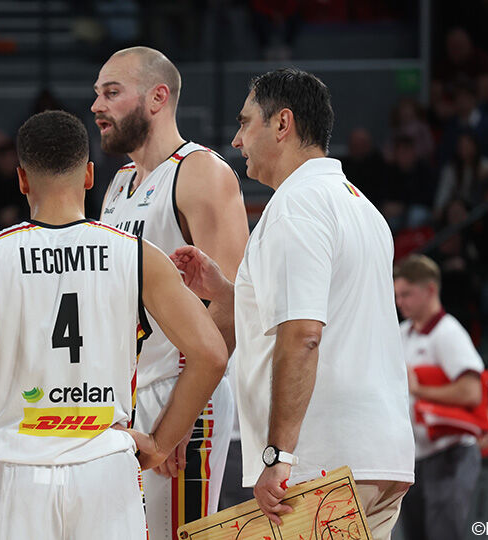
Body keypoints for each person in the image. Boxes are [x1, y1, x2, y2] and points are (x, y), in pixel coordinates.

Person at [0, 110, 229, 540]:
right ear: (90, 175)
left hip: (20, 471)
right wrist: (159, 443)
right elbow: (211, 354)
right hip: (105, 467)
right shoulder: (139, 255)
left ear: (22, 179)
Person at [172, 68, 415, 540]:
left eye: (245, 124)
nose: (237, 140)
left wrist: (278, 455)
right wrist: (230, 293)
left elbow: (304, 334)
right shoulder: (360, 205)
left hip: (323, 457)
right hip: (381, 455)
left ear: (282, 125)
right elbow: (331, 313)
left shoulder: (295, 205)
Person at [92, 46, 248, 538]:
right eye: (97, 93)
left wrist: (180, 417)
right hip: (125, 394)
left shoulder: (201, 172)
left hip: (181, 392)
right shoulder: (117, 184)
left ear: (158, 97)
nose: (96, 105)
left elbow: (233, 305)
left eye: (111, 93)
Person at [393, 254, 486, 540]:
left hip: (450, 453)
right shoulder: (402, 333)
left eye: (407, 294)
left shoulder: (449, 333)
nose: (399, 302)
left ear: (430, 290)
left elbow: (473, 392)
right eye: (396, 295)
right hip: (415, 458)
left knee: (444, 534)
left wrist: (419, 389)